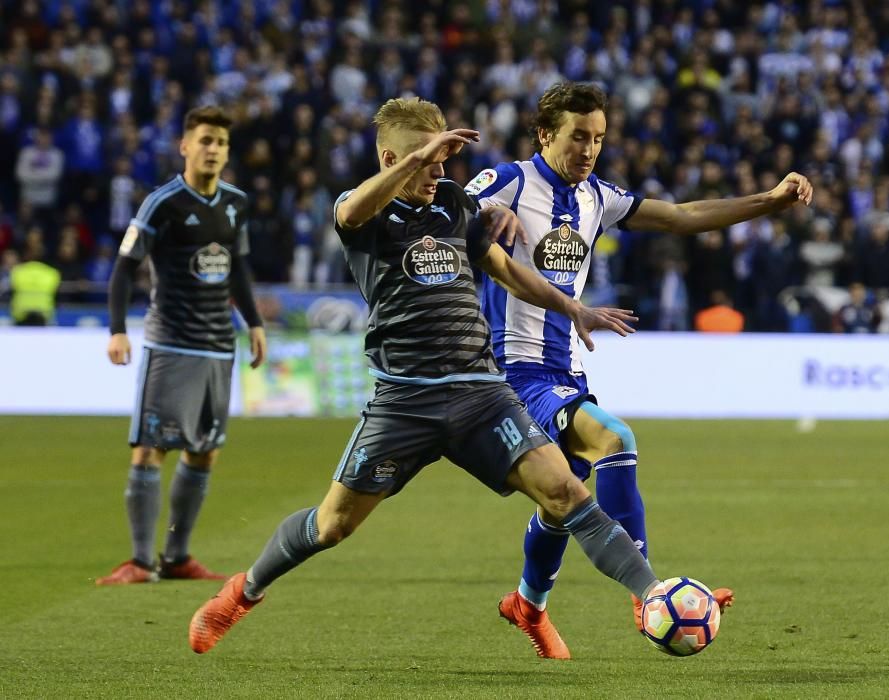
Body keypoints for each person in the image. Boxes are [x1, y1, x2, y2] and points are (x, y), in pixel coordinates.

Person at [188, 97, 675, 656]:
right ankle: (241, 594)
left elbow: (506, 271)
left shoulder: (450, 202)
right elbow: (349, 215)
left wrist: (573, 309)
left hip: (480, 394)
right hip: (405, 402)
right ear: (393, 157)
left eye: (444, 162)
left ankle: (652, 594)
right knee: (332, 526)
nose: (440, 174)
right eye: (428, 161)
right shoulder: (360, 209)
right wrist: (411, 161)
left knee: (566, 491)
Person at [467, 81, 813, 658]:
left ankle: (528, 604)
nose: (590, 150)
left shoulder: (596, 198)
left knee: (562, 499)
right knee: (617, 440)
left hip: (567, 371)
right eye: (579, 137)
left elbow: (680, 216)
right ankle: (648, 591)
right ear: (546, 134)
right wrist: (485, 213)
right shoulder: (507, 180)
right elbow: (450, 204)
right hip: (513, 371)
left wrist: (768, 202)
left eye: (598, 139)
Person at [97, 106, 268, 585]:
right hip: (170, 344)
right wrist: (117, 329)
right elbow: (124, 267)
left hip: (219, 347)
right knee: (150, 448)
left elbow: (238, 268)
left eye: (220, 142)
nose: (213, 149)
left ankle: (175, 557)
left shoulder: (236, 203)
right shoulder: (162, 203)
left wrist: (253, 322)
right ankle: (138, 560)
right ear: (185, 146)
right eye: (205, 141)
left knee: (204, 453)